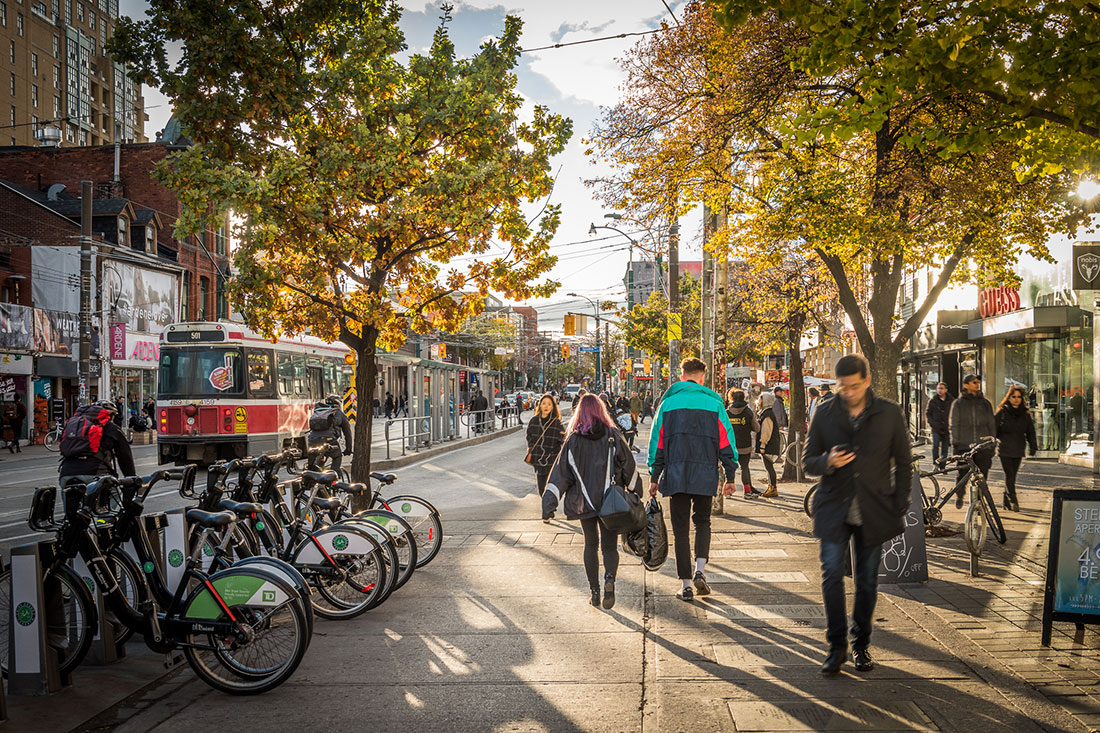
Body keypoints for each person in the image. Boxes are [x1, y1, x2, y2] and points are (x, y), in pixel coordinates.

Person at [803, 354, 911, 676]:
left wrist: (900, 503)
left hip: (874, 509)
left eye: (853, 386)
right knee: (831, 575)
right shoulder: (824, 412)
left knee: (866, 581)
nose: (847, 393)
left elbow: (904, 463)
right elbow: (808, 461)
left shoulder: (889, 413)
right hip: (835, 506)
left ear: (866, 381)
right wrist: (828, 462)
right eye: (842, 387)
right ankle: (836, 647)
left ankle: (861, 643)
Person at [649, 358, 738, 601]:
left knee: (680, 530)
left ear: (682, 375)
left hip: (676, 475)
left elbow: (657, 442)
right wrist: (730, 475)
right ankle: (700, 570)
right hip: (705, 474)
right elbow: (726, 441)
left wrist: (654, 475)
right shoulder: (714, 404)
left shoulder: (667, 404)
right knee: (703, 522)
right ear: (702, 378)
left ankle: (686, 585)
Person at [543, 393, 638, 609]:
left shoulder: (573, 440)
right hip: (610, 502)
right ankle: (609, 580)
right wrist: (636, 490)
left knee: (590, 544)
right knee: (609, 546)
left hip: (582, 501)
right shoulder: (613, 435)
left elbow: (561, 474)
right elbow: (628, 466)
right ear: (601, 410)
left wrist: (549, 505)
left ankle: (594, 592)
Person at [59, 400, 137, 490]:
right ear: (110, 415)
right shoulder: (111, 428)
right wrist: (131, 479)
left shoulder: (75, 426)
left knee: (69, 501)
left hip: (66, 473)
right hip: (95, 473)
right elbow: (125, 457)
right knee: (114, 494)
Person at [949, 374, 996, 508]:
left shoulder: (985, 403)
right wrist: (956, 446)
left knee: (981, 477)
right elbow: (954, 425)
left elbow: (991, 424)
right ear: (966, 385)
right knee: (962, 475)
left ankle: (980, 501)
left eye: (978, 382)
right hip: (964, 447)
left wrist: (992, 444)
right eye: (974, 382)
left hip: (982, 448)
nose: (977, 384)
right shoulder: (958, 404)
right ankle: (960, 496)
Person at [995, 386, 1037, 512]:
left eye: (1019, 397)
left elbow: (1030, 431)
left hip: (1018, 448)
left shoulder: (1025, 414)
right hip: (1005, 449)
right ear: (1009, 398)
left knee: (1013, 475)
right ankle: (1013, 499)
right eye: (1014, 397)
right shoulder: (1002, 412)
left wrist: (1033, 446)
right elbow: (993, 429)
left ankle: (1006, 500)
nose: (1016, 399)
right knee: (1010, 475)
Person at [526, 394, 565, 514]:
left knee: (550, 487)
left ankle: (547, 512)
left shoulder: (556, 422)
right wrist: (532, 447)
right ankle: (548, 507)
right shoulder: (533, 421)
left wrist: (556, 451)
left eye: (549, 404)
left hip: (552, 459)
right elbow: (529, 436)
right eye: (544, 403)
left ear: (553, 406)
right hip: (538, 459)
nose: (546, 406)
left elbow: (562, 439)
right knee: (541, 487)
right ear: (540, 405)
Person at [726, 389, 762, 499]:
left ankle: (728, 492)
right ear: (743, 398)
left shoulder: (727, 412)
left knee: (728, 468)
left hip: (730, 445)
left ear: (731, 397)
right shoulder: (748, 412)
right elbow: (757, 428)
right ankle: (747, 492)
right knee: (744, 468)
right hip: (745, 445)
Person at [307, 395, 353, 473]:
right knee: (337, 456)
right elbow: (347, 434)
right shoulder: (339, 413)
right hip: (329, 440)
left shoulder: (318, 411)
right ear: (338, 404)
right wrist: (348, 449)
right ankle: (332, 476)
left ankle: (310, 478)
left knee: (312, 465)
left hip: (312, 440)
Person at [756, 392, 781, 498]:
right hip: (769, 444)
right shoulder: (766, 413)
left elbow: (766, 431)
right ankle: (771, 487)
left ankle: (773, 487)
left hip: (768, 445)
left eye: (760, 399)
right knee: (768, 467)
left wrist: (763, 444)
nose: (758, 401)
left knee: (769, 467)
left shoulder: (767, 414)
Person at [925, 382, 954, 466]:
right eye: (938, 388)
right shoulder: (933, 401)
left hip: (946, 428)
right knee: (935, 446)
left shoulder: (951, 401)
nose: (939, 390)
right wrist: (932, 423)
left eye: (941, 388)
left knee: (945, 448)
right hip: (936, 428)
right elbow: (928, 413)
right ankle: (936, 464)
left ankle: (943, 465)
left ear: (946, 390)